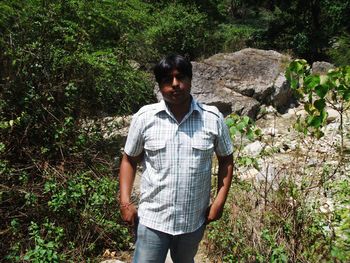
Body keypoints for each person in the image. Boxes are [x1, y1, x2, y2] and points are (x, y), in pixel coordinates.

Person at [119, 54, 234, 263]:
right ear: (159, 86)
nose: (175, 84)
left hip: (193, 221)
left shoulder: (212, 118)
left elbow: (226, 159)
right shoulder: (145, 118)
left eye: (180, 77)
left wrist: (219, 202)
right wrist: (125, 202)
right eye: (166, 80)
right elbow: (129, 159)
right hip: (152, 220)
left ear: (190, 80)